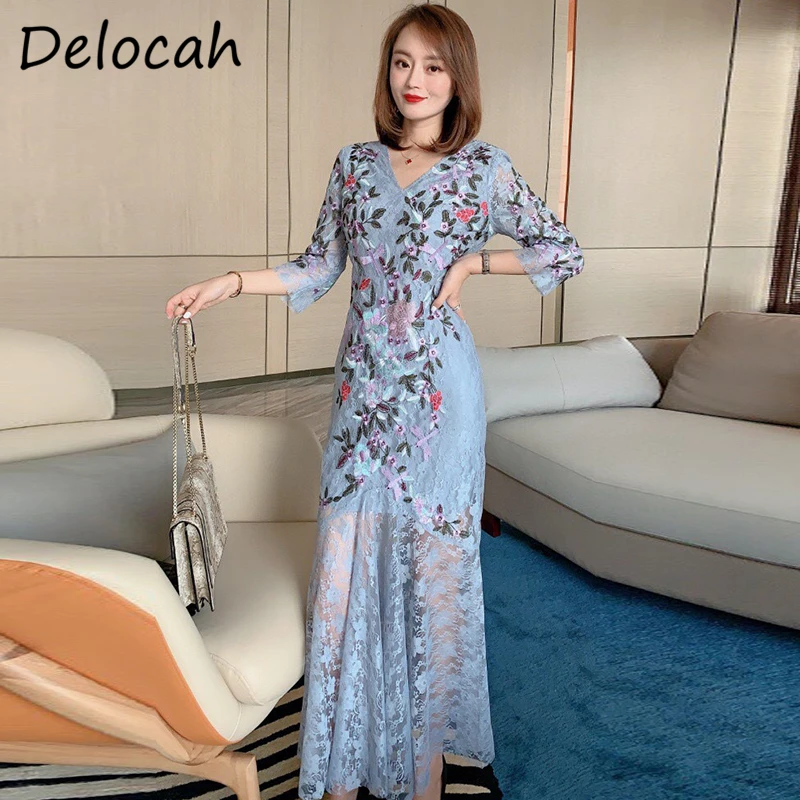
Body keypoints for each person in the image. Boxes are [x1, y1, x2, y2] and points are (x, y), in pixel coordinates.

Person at [166, 4, 584, 798]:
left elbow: (562, 249)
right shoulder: (355, 165)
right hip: (362, 396)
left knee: (430, 580)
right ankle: (342, 769)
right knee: (345, 577)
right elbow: (316, 266)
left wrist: (475, 266)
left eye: (433, 65)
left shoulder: (485, 169)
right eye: (401, 62)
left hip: (440, 399)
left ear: (458, 77)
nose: (413, 79)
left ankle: (421, 773)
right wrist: (232, 282)